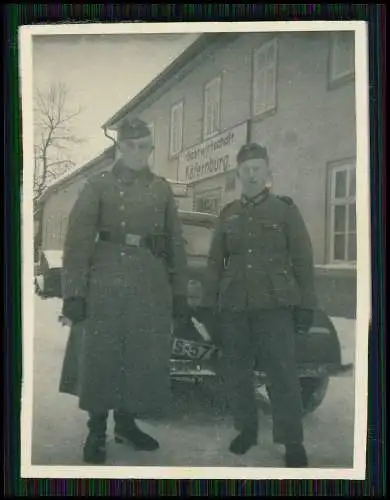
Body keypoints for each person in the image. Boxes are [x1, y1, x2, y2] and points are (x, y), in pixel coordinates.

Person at [59, 117, 189, 464]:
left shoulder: (161, 189)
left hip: (149, 283)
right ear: (119, 147)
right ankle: (97, 430)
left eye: (143, 146)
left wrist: (179, 292)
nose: (136, 152)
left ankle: (126, 424)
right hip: (105, 281)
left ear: (151, 148)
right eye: (129, 146)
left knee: (140, 356)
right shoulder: (97, 186)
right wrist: (74, 292)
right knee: (102, 355)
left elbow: (176, 241)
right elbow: (78, 242)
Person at [201, 142, 317, 468]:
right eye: (246, 170)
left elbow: (302, 260)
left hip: (274, 305)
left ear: (267, 172)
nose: (251, 175)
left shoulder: (284, 211)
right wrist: (211, 304)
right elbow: (214, 264)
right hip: (235, 306)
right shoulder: (228, 215)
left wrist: (306, 304)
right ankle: (246, 430)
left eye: (257, 169)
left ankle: (292, 441)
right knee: (237, 372)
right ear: (238, 174)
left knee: (282, 374)